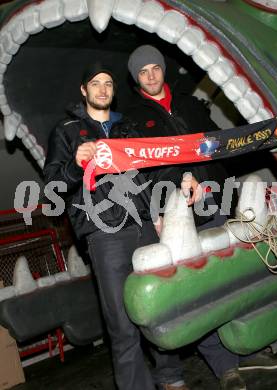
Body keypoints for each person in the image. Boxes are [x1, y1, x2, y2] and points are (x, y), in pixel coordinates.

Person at [125, 44, 277, 390]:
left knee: (230, 278)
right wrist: (178, 183)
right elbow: (141, 168)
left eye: (155, 68)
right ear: (136, 78)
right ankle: (224, 367)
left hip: (214, 203)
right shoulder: (134, 118)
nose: (151, 75)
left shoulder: (188, 103)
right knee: (199, 292)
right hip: (177, 215)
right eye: (143, 72)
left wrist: (268, 131)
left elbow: (226, 143)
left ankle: (244, 351)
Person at [43, 63, 191, 390]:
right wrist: (73, 164)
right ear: (84, 90)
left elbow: (152, 173)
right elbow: (51, 188)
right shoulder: (66, 131)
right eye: (95, 83)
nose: (102, 89)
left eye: (108, 83)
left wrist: (179, 183)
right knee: (122, 325)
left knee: (160, 308)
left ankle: (172, 377)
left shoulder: (128, 128)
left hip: (144, 226)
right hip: (104, 235)